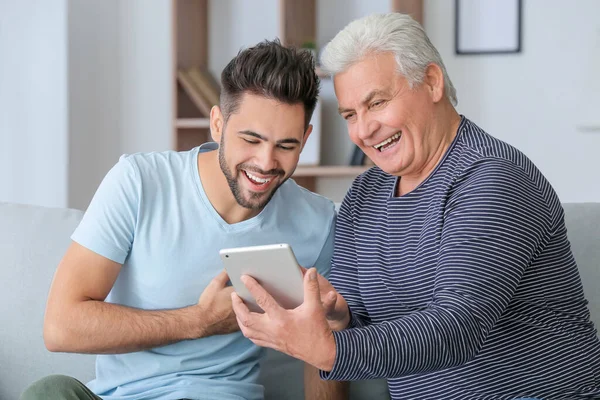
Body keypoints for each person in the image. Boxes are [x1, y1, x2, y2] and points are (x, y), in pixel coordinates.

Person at [231, 13, 600, 400]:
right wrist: (336, 314)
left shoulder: (492, 179)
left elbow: (457, 327)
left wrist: (327, 349)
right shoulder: (365, 194)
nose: (364, 130)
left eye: (377, 103)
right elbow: (354, 314)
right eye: (350, 115)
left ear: (432, 82)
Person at [20, 40, 343, 400]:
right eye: (251, 139)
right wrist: (199, 321)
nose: (266, 162)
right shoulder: (139, 181)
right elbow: (60, 326)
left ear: (306, 138)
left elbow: (324, 346)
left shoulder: (318, 222)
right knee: (51, 392)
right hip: (118, 396)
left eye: (286, 145)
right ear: (218, 124)